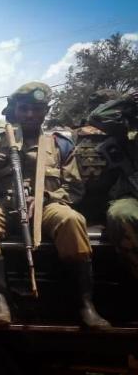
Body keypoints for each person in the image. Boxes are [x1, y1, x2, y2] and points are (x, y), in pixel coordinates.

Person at [0, 82, 111, 329]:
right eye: (24, 109)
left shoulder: (60, 144)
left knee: (73, 221)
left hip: (50, 205)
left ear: (46, 111)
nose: (30, 114)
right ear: (15, 111)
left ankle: (85, 303)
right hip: (6, 204)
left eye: (36, 109)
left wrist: (44, 198)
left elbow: (74, 189)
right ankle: (1, 299)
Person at [87, 89, 138, 280]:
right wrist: (127, 100)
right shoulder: (126, 130)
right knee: (121, 214)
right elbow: (97, 116)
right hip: (132, 195)